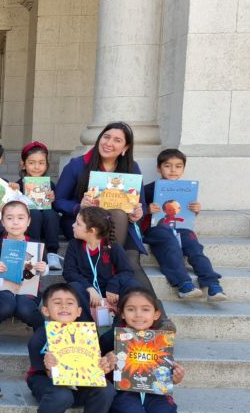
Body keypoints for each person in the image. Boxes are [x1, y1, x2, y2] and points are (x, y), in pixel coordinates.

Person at [53, 122, 156, 300]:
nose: (109, 143)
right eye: (106, 137)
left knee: (131, 260)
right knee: (122, 261)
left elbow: (142, 205)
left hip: (120, 228)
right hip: (85, 226)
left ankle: (153, 313)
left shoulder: (132, 168)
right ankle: (110, 262)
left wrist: (137, 214)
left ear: (125, 148)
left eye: (117, 140)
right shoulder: (77, 165)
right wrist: (78, 206)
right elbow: (58, 201)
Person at [18, 283, 117, 413]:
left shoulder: (88, 334)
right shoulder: (40, 337)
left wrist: (102, 365)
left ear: (79, 311)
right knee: (62, 395)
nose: (64, 306)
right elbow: (42, 372)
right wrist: (48, 367)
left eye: (70, 303)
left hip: (79, 381)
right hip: (45, 383)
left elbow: (92, 367)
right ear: (46, 311)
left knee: (107, 389)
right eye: (57, 302)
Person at [143, 149, 227, 301]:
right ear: (159, 168)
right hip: (157, 229)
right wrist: (147, 210)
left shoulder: (187, 189)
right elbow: (137, 212)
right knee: (170, 244)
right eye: (167, 166)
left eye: (178, 166)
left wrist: (195, 210)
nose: (173, 170)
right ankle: (184, 284)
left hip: (181, 228)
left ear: (183, 168)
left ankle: (212, 284)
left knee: (194, 247)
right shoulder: (148, 189)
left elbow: (186, 215)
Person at [0, 200, 49, 345]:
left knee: (25, 308)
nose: (15, 222)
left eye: (20, 218)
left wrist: (44, 269)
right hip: (1, 290)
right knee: (6, 305)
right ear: (3, 222)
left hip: (28, 290)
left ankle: (43, 333)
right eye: (9, 218)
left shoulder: (36, 246)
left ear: (28, 222)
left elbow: (45, 268)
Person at [64, 206, 141, 321]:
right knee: (73, 287)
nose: (73, 225)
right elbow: (69, 272)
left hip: (111, 294)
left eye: (78, 224)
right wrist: (89, 288)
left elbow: (127, 271)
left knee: (132, 284)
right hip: (87, 293)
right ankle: (88, 326)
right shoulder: (74, 245)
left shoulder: (113, 247)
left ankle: (121, 323)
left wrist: (113, 285)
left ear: (92, 231)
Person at [16, 141, 62, 270]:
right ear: (23, 165)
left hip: (47, 225)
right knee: (34, 212)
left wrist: (53, 200)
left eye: (41, 163)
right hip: (29, 226)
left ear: (46, 165)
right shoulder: (18, 185)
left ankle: (52, 253)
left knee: (51, 213)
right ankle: (33, 249)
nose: (37, 167)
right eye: (32, 163)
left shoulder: (50, 185)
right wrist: (16, 193)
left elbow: (56, 207)